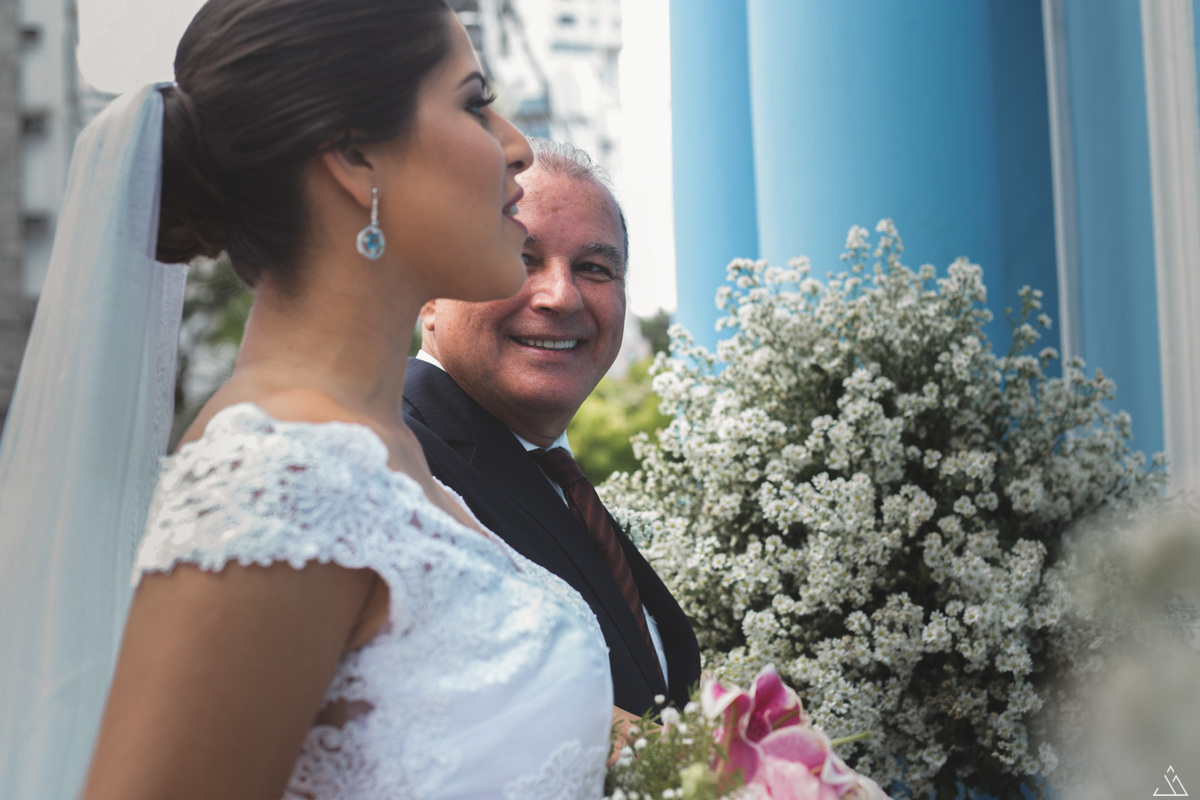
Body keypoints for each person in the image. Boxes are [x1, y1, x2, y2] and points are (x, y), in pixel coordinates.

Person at [0, 1, 616, 797]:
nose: (516, 145)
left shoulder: (381, 454)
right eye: (472, 102)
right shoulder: (279, 478)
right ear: (355, 155)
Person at [404, 139, 701, 719]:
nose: (561, 296)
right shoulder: (396, 461)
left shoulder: (559, 482)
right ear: (429, 293)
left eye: (594, 269)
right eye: (521, 258)